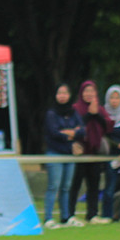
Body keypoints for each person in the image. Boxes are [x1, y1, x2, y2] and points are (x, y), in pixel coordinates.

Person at [66, 80, 111, 225]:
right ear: (81, 93)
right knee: (75, 184)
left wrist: (96, 114)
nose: (89, 94)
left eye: (92, 91)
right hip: (79, 153)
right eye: (86, 91)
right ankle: (70, 214)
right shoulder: (75, 108)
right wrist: (89, 115)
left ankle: (92, 214)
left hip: (95, 152)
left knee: (94, 185)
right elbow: (74, 128)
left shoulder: (100, 109)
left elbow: (107, 127)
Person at [93, 84, 120, 224]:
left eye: (117, 98)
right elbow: (104, 135)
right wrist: (118, 145)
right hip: (111, 153)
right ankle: (107, 215)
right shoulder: (104, 114)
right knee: (109, 185)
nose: (114, 101)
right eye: (112, 97)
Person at [42, 84, 83, 228]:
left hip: (69, 154)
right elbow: (53, 133)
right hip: (55, 153)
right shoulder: (51, 114)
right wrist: (71, 134)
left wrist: (69, 133)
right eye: (60, 93)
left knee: (66, 187)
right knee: (54, 186)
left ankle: (66, 217)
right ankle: (48, 218)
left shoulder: (74, 112)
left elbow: (82, 130)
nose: (62, 96)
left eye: (65, 93)